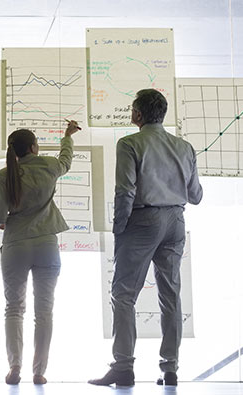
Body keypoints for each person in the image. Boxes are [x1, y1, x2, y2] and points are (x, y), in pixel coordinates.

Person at [89, 89, 203, 387]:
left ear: (137, 114)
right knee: (171, 296)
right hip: (176, 221)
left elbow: (124, 190)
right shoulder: (185, 147)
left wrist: (119, 227)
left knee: (124, 295)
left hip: (142, 221)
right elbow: (196, 196)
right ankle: (170, 369)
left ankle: (123, 367)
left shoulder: (130, 144)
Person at [0, 120, 81, 385]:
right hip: (46, 245)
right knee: (44, 311)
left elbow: (0, 214)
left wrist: (1, 220)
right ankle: (39, 372)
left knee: (14, 309)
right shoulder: (50, 166)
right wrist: (67, 137)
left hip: (16, 245)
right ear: (34, 147)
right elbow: (66, 161)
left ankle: (14, 367)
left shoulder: (4, 175)